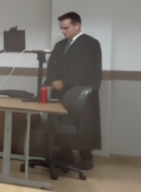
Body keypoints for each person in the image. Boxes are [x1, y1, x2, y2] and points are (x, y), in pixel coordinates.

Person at [45, 12, 102, 170]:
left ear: (78, 25)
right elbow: (52, 65)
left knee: (84, 124)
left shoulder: (91, 44)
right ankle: (65, 153)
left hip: (81, 90)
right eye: (61, 28)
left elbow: (85, 67)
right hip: (60, 91)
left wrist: (64, 81)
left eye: (66, 28)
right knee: (61, 121)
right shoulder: (61, 45)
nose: (63, 31)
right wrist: (53, 80)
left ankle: (86, 157)